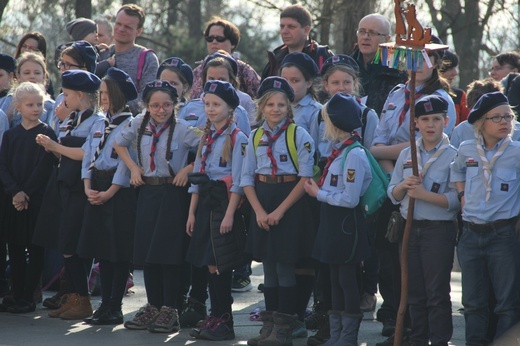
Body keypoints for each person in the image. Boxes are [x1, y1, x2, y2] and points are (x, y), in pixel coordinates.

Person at [369, 37, 454, 340]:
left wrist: (387, 156)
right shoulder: (395, 94)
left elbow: (454, 197)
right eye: (410, 58)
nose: (416, 65)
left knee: (433, 289)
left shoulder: (443, 101)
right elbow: (378, 142)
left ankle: (437, 337)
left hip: (432, 218)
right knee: (403, 278)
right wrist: (400, 181)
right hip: (401, 202)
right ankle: (406, 329)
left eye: (425, 58)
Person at [114, 80, 199, 333]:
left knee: (169, 253)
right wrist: (133, 167)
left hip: (173, 193)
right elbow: (118, 143)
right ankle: (152, 305)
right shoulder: (138, 123)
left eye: (167, 105)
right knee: (148, 253)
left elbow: (208, 149)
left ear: (175, 105)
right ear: (146, 106)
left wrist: (188, 168)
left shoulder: (184, 128)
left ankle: (170, 308)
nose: (161, 110)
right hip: (147, 191)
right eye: (155, 105)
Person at [241, 77, 315, 346]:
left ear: (289, 106)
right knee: (269, 268)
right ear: (261, 107)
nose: (275, 109)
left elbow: (305, 179)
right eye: (270, 104)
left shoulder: (299, 135)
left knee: (285, 267)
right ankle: (269, 326)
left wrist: (280, 211)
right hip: (262, 200)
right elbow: (246, 178)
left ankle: (284, 328)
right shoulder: (255, 135)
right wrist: (259, 211)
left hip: (289, 203)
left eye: (281, 104)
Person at [388, 95, 459, 345]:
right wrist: (403, 187)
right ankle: (418, 339)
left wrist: (424, 195)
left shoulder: (453, 156)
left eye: (436, 119)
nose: (431, 125)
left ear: (446, 121)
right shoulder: (408, 153)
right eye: (425, 119)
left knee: (437, 293)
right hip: (409, 229)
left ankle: (440, 341)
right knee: (414, 292)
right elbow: (392, 192)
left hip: (437, 231)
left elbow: (457, 200)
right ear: (415, 122)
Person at [450, 91, 520, 344]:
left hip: (503, 235)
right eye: (497, 117)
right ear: (481, 123)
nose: (505, 122)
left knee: (507, 304)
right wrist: (461, 196)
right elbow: (456, 172)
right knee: (473, 303)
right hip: (470, 234)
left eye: (509, 116)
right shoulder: (467, 148)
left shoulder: (516, 152)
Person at [34, 70, 104, 320]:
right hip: (64, 183)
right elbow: (62, 153)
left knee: (74, 245)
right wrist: (51, 145)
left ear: (80, 94)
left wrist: (54, 146)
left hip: (80, 187)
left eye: (67, 94)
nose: (63, 98)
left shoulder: (97, 120)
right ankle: (74, 296)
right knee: (65, 243)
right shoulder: (70, 118)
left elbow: (88, 154)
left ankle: (82, 299)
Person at [304, 93, 372, 345]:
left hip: (346, 225)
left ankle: (348, 337)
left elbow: (350, 198)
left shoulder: (353, 154)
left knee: (347, 280)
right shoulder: (339, 151)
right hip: (333, 223)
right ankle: (336, 335)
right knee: (333, 278)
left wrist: (318, 193)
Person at [185, 80, 248, 341]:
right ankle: (214, 316)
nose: (210, 109)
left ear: (230, 108)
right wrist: (191, 212)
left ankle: (225, 320)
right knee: (209, 264)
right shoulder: (207, 136)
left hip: (224, 205)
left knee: (220, 264)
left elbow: (241, 179)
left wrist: (231, 213)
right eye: (207, 104)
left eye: (216, 104)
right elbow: (197, 178)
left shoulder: (237, 138)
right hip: (206, 205)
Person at [77, 67, 137, 325]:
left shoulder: (131, 123)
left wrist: (111, 191)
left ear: (119, 94)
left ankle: (115, 305)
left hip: (118, 191)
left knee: (118, 251)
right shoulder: (99, 121)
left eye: (106, 92)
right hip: (96, 186)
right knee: (102, 250)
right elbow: (89, 154)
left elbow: (128, 161)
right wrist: (87, 185)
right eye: (100, 92)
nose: (102, 97)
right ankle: (104, 305)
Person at [0, 82, 57, 313]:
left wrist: (26, 193)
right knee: (14, 246)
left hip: (36, 201)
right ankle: (17, 292)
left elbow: (45, 167)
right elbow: (3, 165)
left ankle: (28, 297)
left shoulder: (47, 133)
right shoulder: (11, 135)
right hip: (13, 199)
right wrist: (15, 191)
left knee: (35, 248)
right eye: (30, 104)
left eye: (40, 104)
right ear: (18, 107)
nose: (36, 108)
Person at [96, 4, 159, 114]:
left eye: (127, 27)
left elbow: (149, 98)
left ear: (138, 31)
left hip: (133, 126)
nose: (121, 29)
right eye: (118, 24)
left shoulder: (148, 58)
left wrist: (116, 105)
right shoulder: (102, 55)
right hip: (99, 124)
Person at [177, 52, 251, 133]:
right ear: (204, 80)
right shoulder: (189, 108)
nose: (216, 84)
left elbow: (244, 142)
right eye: (211, 79)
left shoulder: (239, 113)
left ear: (231, 81)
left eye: (221, 80)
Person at [351, 13, 407, 116]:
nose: (365, 37)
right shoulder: (346, 67)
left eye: (372, 33)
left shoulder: (399, 72)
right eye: (362, 31)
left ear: (387, 39)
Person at [191, 16, 260, 99]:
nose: (214, 42)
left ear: (233, 43)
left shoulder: (245, 71)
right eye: (210, 38)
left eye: (220, 38)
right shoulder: (197, 72)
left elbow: (259, 101)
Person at [261, 4, 333, 80]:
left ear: (306, 30)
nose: (284, 31)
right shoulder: (275, 59)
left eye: (291, 27)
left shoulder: (322, 57)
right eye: (282, 26)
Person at [11, 52, 54, 127]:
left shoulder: (51, 106)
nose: (32, 76)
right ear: (18, 77)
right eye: (27, 73)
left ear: (44, 76)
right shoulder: (9, 100)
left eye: (37, 73)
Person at [14, 31, 55, 99]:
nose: (26, 50)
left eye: (31, 48)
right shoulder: (10, 70)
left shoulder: (44, 78)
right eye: (24, 46)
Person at [440, 50, 470, 125]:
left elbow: (466, 125)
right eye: (450, 69)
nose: (455, 73)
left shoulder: (459, 96)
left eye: (455, 68)